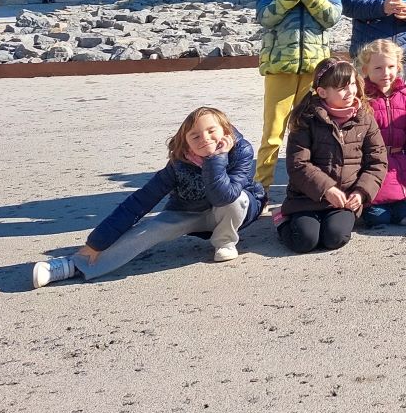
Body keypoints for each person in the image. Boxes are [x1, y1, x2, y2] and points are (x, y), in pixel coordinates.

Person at [30, 106, 264, 287]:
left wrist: (216, 159)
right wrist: (95, 244)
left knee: (237, 199)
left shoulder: (240, 151)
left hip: (231, 210)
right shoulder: (178, 166)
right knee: (148, 230)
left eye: (211, 131)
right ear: (186, 145)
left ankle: (224, 242)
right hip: (189, 212)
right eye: (195, 136)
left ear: (226, 131)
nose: (205, 138)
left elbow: (224, 196)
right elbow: (138, 203)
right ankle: (76, 265)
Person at [254, 0, 344, 192]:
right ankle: (261, 188)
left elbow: (332, 18)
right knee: (273, 133)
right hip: (280, 68)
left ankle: (307, 187)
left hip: (315, 71)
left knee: (310, 131)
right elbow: (265, 17)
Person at [277, 59, 389, 254]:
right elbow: (298, 164)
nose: (350, 91)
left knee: (335, 237)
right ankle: (280, 220)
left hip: (345, 199)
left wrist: (361, 192)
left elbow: (377, 161)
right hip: (306, 198)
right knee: (305, 240)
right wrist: (327, 188)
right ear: (322, 92)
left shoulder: (365, 118)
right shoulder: (306, 119)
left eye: (352, 84)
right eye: (341, 88)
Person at [355, 38, 406, 228]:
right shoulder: (360, 98)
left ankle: (403, 203)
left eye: (391, 67)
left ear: (399, 67)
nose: (386, 73)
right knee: (378, 218)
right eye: (378, 68)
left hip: (400, 164)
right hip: (371, 164)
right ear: (366, 70)